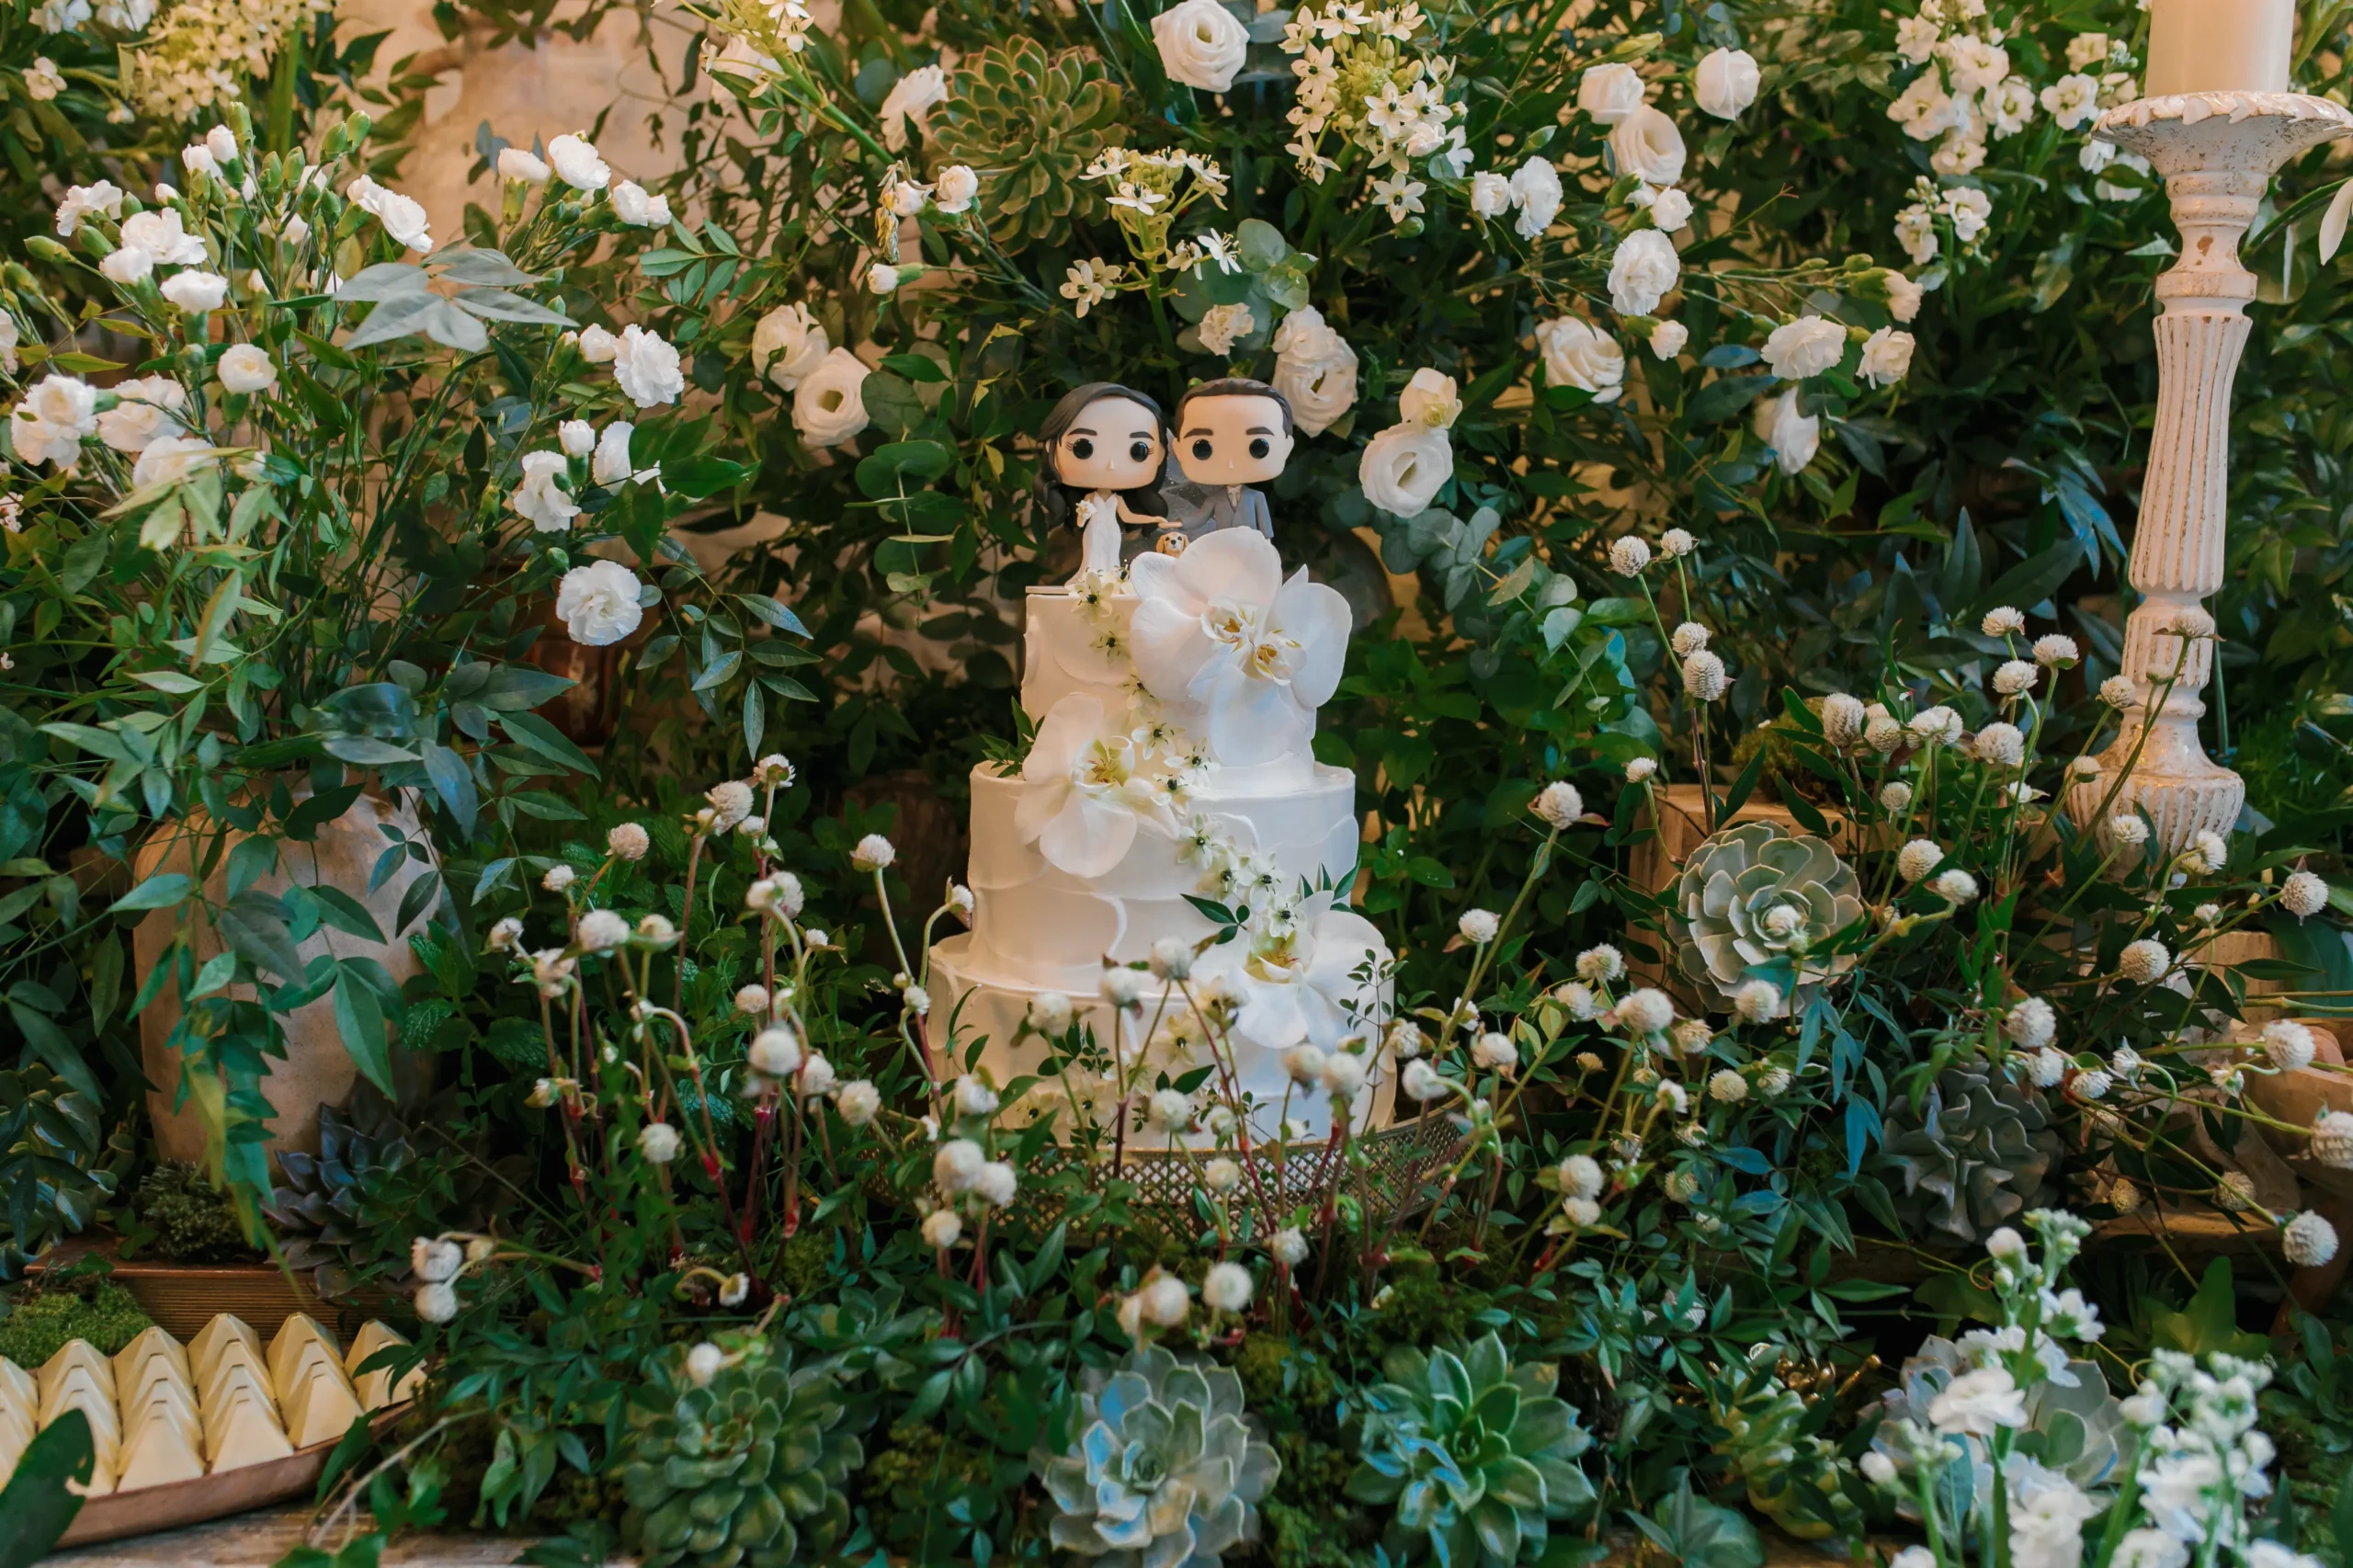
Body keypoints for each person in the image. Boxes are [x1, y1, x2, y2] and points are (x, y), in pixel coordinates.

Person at [1031, 382, 1172, 577]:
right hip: (1094, 531)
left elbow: (1129, 516)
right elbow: (1081, 521)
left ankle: (1109, 578)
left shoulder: (1116, 501)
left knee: (1111, 558)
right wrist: (1081, 517)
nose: (1111, 464)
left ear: (1160, 455)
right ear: (1051, 447)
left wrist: (1152, 519)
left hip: (1112, 532)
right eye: (1083, 447)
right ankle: (1090, 578)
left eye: (1138, 450)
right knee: (1093, 557)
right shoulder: (1090, 498)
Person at [1160, 378, 1296, 550]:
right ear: (1178, 450)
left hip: (1251, 548)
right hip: (1223, 548)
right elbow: (1199, 518)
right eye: (1202, 448)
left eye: (1258, 447)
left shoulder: (1256, 498)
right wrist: (1177, 524)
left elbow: (1265, 526)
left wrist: (1267, 547)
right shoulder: (1215, 499)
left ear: (1286, 447)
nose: (1230, 463)